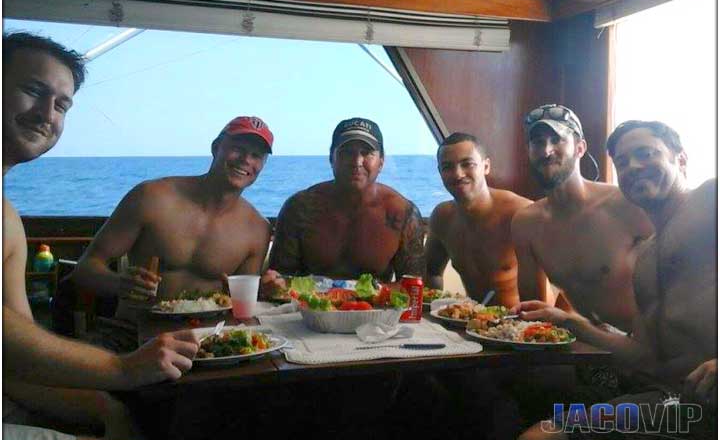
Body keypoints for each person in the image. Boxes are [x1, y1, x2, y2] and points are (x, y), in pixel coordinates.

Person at [2, 32, 198, 440]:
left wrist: (105, 400)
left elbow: (15, 360)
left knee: (118, 413)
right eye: (33, 90)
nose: (46, 114)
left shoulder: (8, 217)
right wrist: (122, 369)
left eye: (62, 104)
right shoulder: (152, 197)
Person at [516, 120, 717, 440]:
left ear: (680, 159)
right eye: (622, 162)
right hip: (673, 400)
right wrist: (571, 323)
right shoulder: (647, 260)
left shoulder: (710, 200)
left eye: (646, 153)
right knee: (541, 431)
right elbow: (644, 355)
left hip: (710, 403)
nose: (634, 166)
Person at [72, 116, 274, 322]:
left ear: (263, 165)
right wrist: (119, 284)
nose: (246, 160)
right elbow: (84, 269)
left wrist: (259, 292)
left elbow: (243, 308)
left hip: (208, 341)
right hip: (133, 334)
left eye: (256, 155)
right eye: (238, 148)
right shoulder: (151, 197)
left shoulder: (257, 229)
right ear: (216, 147)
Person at [511, 104, 653, 332]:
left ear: (580, 148)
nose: (546, 150)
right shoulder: (526, 223)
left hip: (646, 344)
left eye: (557, 140)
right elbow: (535, 314)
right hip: (589, 344)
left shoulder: (626, 204)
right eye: (538, 142)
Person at [261, 117, 424, 296]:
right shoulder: (300, 208)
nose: (357, 161)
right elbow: (279, 278)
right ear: (332, 158)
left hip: (374, 316)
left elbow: (414, 287)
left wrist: (357, 295)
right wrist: (273, 285)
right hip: (307, 315)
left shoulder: (403, 214)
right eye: (347, 152)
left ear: (382, 162)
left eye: (367, 152)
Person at [424, 132, 533, 307]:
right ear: (440, 172)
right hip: (469, 325)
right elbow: (432, 273)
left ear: (486, 166)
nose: (458, 174)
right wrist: (434, 311)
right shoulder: (442, 217)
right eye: (447, 167)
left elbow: (561, 282)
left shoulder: (521, 213)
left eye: (467, 164)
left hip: (520, 325)